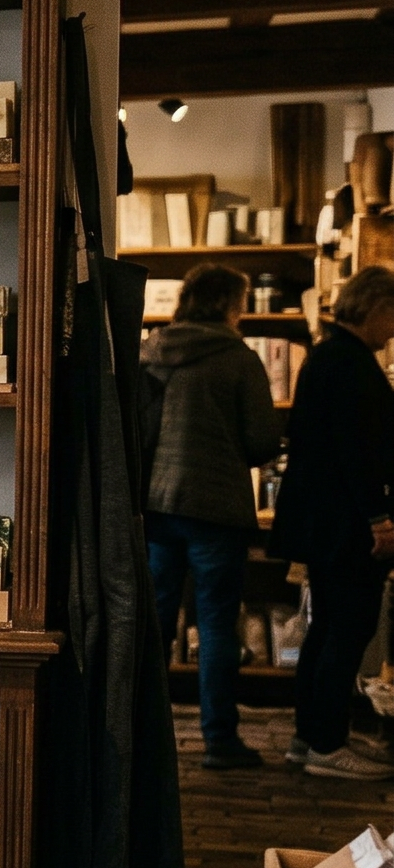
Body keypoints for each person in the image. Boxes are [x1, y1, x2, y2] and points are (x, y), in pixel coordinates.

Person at [143, 265, 284, 768]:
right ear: (228, 304)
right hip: (218, 509)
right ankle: (220, 741)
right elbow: (264, 440)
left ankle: (145, 739)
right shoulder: (238, 359)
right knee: (218, 623)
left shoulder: (152, 351)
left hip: (158, 505)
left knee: (154, 624)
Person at [272, 264, 394, 781]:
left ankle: (312, 737)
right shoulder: (350, 361)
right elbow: (358, 452)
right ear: (374, 308)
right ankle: (326, 744)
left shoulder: (327, 356)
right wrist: (381, 518)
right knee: (347, 628)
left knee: (329, 628)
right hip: (346, 522)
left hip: (323, 519)